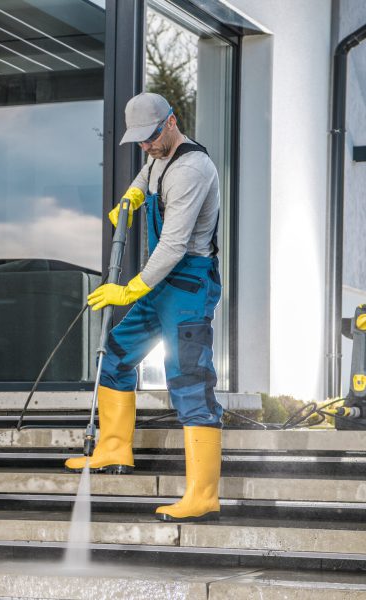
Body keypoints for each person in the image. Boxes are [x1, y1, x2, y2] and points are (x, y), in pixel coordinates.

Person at [64, 92, 223, 523]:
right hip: (160, 284)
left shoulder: (191, 168)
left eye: (151, 138)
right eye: (139, 142)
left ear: (171, 123)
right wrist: (131, 198)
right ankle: (114, 448)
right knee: (116, 354)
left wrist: (130, 290)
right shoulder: (156, 156)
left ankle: (203, 495)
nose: (146, 147)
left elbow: (173, 245)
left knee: (190, 380)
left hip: (187, 284)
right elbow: (145, 177)